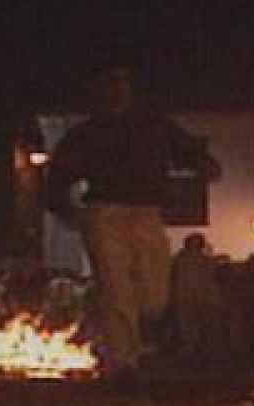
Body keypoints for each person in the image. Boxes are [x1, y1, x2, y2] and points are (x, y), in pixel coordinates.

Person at [44, 62, 219, 376]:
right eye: (109, 82)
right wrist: (67, 210)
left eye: (121, 81)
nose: (116, 88)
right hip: (105, 213)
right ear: (98, 89)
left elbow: (188, 149)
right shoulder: (86, 133)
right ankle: (123, 361)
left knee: (154, 296)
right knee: (116, 287)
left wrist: (204, 164)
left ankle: (110, 330)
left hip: (147, 213)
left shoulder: (154, 126)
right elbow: (58, 176)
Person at [170, 233, 223, 358]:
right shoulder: (180, 259)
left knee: (202, 325)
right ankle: (192, 348)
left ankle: (201, 349)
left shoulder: (204, 259)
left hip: (202, 297)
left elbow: (210, 276)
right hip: (186, 297)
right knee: (188, 326)